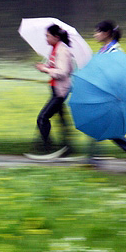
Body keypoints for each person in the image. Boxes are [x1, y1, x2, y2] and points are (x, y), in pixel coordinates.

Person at [87, 20, 126, 170]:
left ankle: (93, 158)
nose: (95, 35)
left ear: (106, 33)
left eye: (97, 31)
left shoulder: (114, 51)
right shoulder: (104, 50)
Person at [25, 24, 75, 159]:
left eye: (47, 36)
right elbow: (55, 67)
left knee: (43, 118)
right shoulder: (55, 49)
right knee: (61, 119)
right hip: (56, 90)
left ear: (56, 36)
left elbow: (63, 72)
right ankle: (68, 147)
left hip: (60, 92)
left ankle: (48, 148)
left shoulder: (62, 50)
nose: (46, 38)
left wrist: (46, 70)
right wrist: (43, 66)